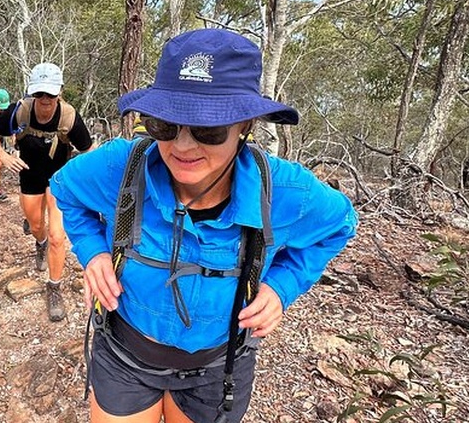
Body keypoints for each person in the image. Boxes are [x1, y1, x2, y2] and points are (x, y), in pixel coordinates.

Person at [50, 29, 358, 423]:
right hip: (125, 355)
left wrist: (282, 287)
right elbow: (65, 190)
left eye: (208, 130)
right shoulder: (119, 168)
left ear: (245, 124)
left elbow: (339, 225)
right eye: (164, 125)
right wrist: (93, 252)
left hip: (217, 369)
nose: (182, 147)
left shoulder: (285, 192)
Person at [0, 63, 93, 321]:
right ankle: (39, 242)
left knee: (58, 236)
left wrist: (79, 177)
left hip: (59, 179)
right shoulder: (19, 111)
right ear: (32, 93)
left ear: (60, 92)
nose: (45, 100)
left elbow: (88, 150)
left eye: (50, 94)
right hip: (30, 175)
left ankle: (53, 287)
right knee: (36, 225)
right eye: (39, 94)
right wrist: (2, 155)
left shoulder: (69, 117)